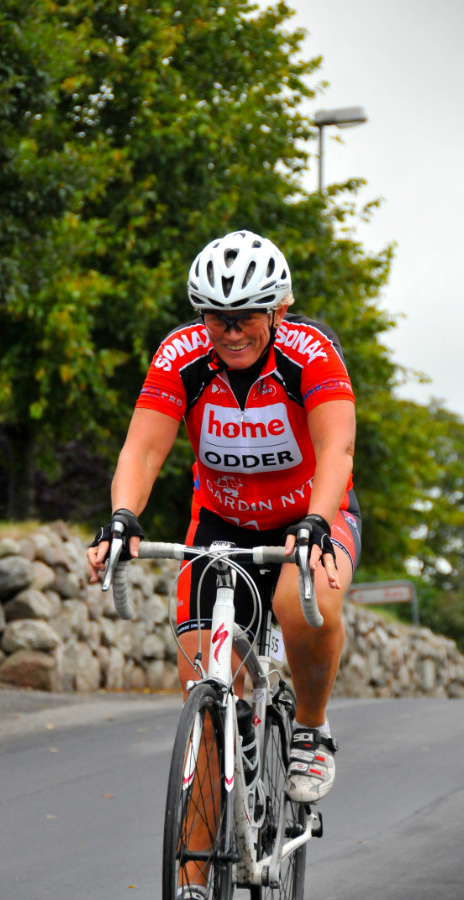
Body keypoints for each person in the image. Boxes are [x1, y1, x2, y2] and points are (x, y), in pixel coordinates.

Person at [87, 229, 361, 816]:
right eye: (218, 318)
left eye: (246, 318)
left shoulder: (311, 353)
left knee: (301, 602)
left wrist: (316, 521)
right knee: (205, 711)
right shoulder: (180, 355)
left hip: (312, 516)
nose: (232, 332)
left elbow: (336, 449)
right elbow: (142, 451)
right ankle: (196, 864)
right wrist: (122, 516)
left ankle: (310, 728)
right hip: (220, 525)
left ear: (279, 310)